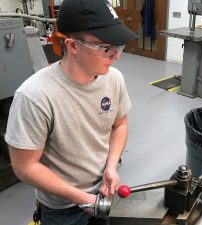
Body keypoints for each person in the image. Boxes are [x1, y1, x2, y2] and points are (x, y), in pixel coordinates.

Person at [5, 0, 137, 224]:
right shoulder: (35, 96)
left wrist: (111, 166)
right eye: (106, 48)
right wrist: (81, 198)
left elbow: (120, 124)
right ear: (73, 46)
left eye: (118, 46)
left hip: (103, 192)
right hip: (62, 209)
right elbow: (24, 167)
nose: (117, 56)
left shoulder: (114, 79)